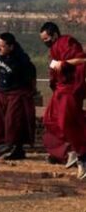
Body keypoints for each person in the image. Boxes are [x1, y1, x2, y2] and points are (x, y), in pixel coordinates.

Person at [40, 21, 86, 179]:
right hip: (60, 89)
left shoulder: (67, 42)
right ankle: (71, 149)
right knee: (50, 120)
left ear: (54, 35)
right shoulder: (54, 49)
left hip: (71, 89)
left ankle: (82, 156)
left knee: (67, 121)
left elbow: (82, 60)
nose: (45, 42)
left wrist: (64, 63)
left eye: (47, 38)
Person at [0, 32, 37, 160]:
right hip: (2, 90)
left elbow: (32, 75)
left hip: (17, 91)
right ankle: (1, 143)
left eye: (2, 46)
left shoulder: (21, 60)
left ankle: (15, 147)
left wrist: (31, 91)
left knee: (13, 120)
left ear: (11, 47)